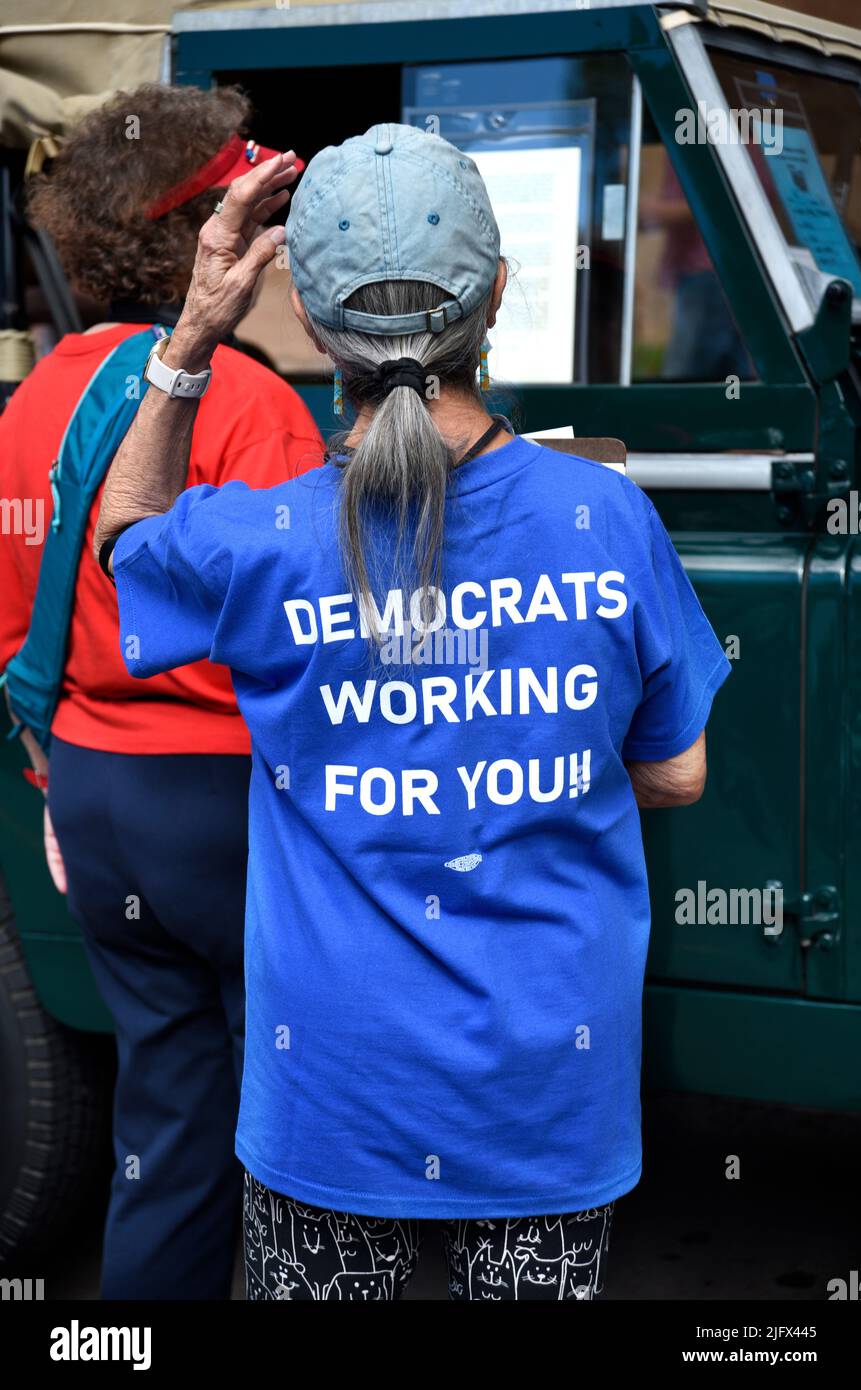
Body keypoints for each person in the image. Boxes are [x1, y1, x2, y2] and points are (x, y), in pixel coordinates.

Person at [94, 124, 731, 1301]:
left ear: (319, 331)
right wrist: (520, 759)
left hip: (330, 1086)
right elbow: (678, 770)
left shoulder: (257, 540)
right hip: (548, 1087)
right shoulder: (608, 518)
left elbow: (122, 538)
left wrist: (191, 336)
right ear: (496, 294)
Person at [0, 84, 322, 1300]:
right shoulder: (251, 405)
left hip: (89, 795)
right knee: (290, 1117)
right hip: (227, 803)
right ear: (211, 238)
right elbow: (302, 645)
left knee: (167, 1115)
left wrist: (51, 781)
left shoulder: (31, 400)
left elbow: (10, 627)